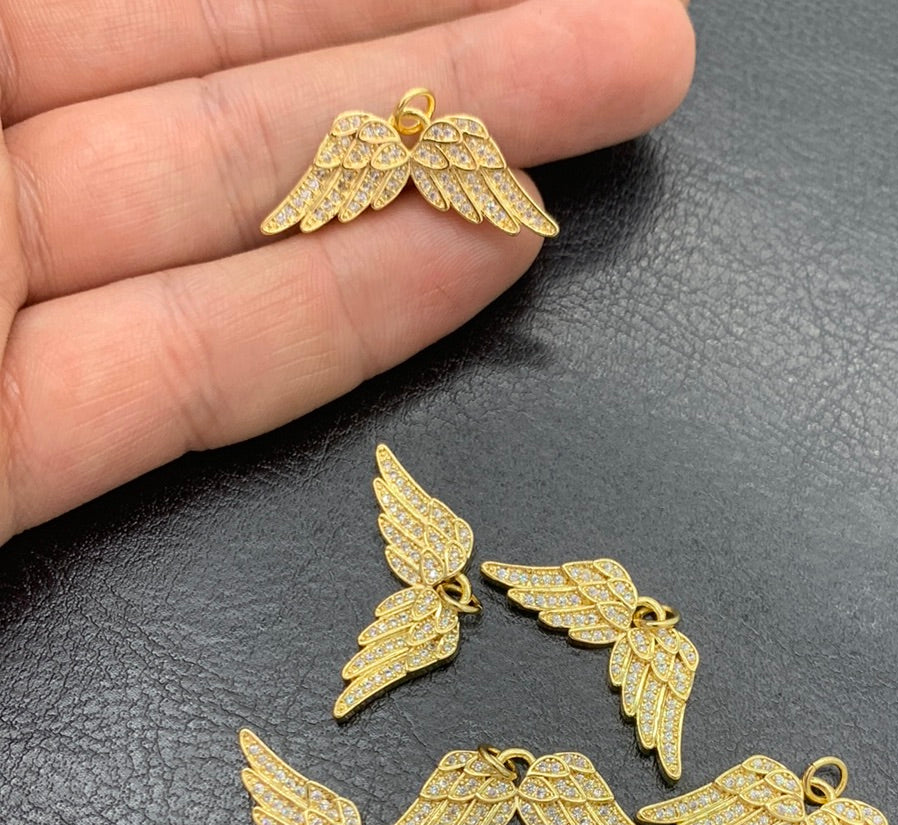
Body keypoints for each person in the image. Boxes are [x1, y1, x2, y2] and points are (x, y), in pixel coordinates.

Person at [0, 0, 694, 544]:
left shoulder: (448, 143)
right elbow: (309, 201)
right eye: (411, 123)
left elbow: (498, 196)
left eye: (419, 122)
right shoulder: (366, 140)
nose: (414, 126)